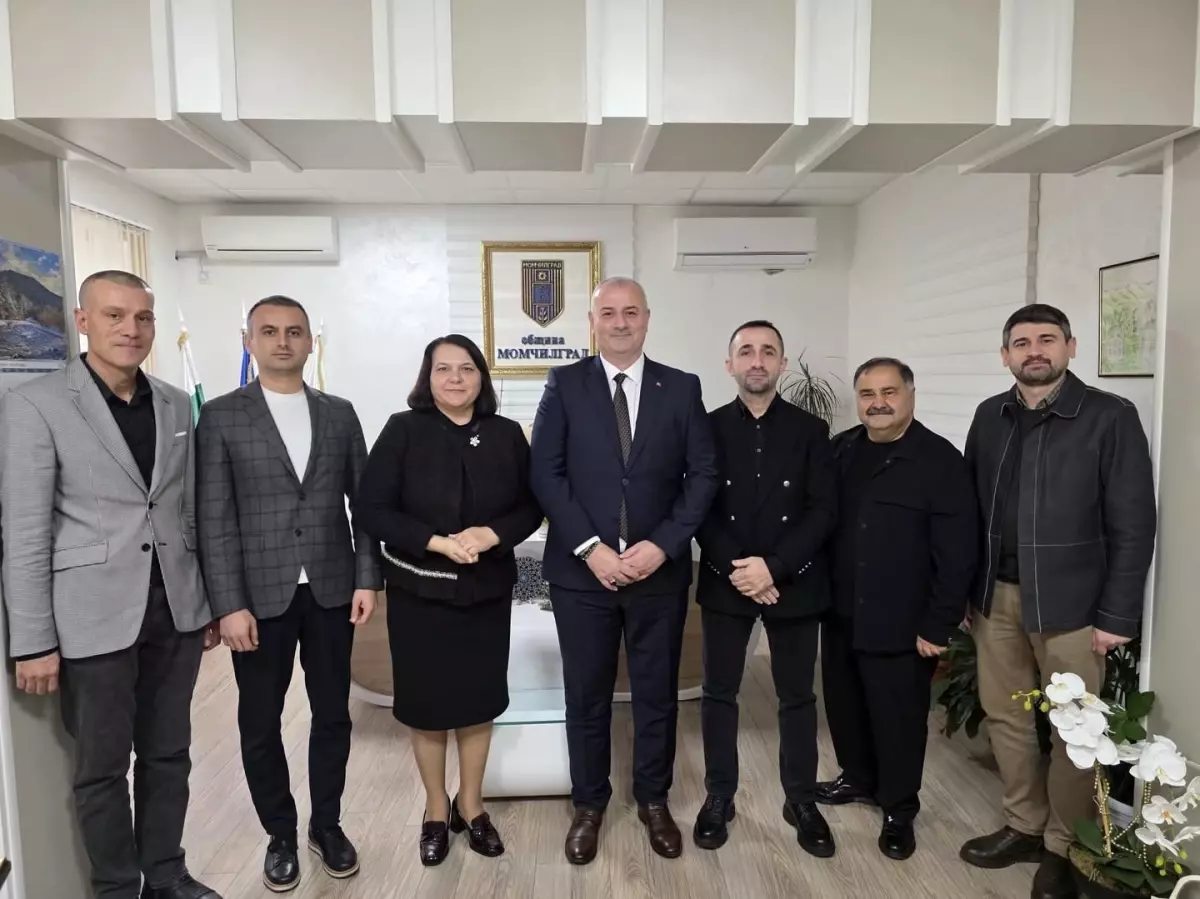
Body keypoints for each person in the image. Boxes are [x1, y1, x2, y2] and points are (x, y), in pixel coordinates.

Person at [0, 270, 220, 899]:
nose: (131, 329)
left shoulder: (175, 403)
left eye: (143, 317)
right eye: (115, 315)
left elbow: (185, 512)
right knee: (101, 769)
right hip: (90, 618)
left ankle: (167, 875)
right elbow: (24, 532)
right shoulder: (35, 405)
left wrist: (205, 601)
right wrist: (32, 640)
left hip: (174, 610)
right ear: (82, 321)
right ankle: (118, 888)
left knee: (168, 754)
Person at [958, 305, 1156, 899]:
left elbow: (1133, 523)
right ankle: (1023, 824)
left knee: (1075, 730)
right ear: (1005, 355)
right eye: (1021, 343)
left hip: (1073, 606)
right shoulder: (988, 416)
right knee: (1006, 716)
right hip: (996, 597)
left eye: (1047, 339)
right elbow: (969, 511)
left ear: (1070, 346)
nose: (1034, 351)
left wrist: (1117, 615)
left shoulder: (1109, 417)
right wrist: (966, 593)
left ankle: (1065, 845)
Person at [195, 295, 382, 893]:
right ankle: (280, 833)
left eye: (294, 331)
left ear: (309, 342)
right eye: (270, 331)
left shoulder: (339, 413)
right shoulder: (221, 417)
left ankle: (326, 824)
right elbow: (213, 517)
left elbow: (365, 506)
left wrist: (366, 577)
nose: (283, 341)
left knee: (333, 715)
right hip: (257, 598)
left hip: (330, 590)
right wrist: (228, 604)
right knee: (260, 721)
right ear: (249, 341)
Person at [529, 276, 718, 865]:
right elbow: (545, 473)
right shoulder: (564, 383)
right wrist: (591, 548)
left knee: (656, 695)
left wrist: (663, 546)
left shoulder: (681, 387)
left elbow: (703, 476)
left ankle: (653, 800)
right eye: (607, 313)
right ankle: (589, 804)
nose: (619, 322)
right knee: (586, 696)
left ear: (647, 319)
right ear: (592, 322)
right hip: (581, 575)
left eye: (630, 312)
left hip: (657, 574)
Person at [355, 334, 542, 867]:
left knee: (479, 702)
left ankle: (472, 805)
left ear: (481, 377)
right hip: (420, 591)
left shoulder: (506, 434)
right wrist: (435, 541)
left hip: (486, 593)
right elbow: (372, 509)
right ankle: (436, 809)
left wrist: (491, 534)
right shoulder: (403, 429)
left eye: (466, 368)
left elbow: (532, 506)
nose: (455, 378)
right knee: (428, 705)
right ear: (428, 377)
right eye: (443, 369)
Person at [816, 357, 978, 861]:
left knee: (899, 721)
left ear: (910, 396)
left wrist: (939, 623)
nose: (878, 403)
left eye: (889, 392)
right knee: (845, 707)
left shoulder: (940, 461)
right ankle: (858, 779)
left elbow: (959, 552)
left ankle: (899, 808)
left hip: (904, 623)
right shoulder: (841, 450)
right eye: (868, 394)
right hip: (840, 614)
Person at [692, 320, 838, 856]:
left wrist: (773, 569)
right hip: (725, 580)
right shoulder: (705, 429)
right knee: (718, 693)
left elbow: (823, 510)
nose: (757, 360)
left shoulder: (811, 429)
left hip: (793, 581)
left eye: (768, 352)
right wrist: (742, 570)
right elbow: (698, 509)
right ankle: (719, 797)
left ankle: (801, 800)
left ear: (781, 364)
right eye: (746, 351)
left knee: (797, 696)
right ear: (729, 364)